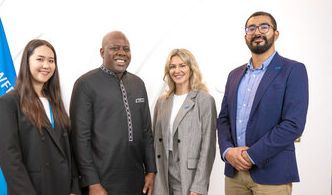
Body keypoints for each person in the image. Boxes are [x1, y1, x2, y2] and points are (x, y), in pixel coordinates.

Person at [217, 11, 309, 195]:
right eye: (251, 28)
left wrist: (252, 155)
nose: (257, 32)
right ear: (245, 37)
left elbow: (293, 124)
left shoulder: (293, 70)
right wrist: (228, 151)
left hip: (272, 173)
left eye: (264, 27)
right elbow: (224, 119)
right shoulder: (234, 75)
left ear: (276, 34)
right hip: (235, 173)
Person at [69, 31, 157, 195]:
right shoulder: (85, 84)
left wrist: (151, 171)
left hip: (137, 180)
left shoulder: (138, 84)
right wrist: (92, 182)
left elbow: (146, 132)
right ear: (102, 52)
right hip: (102, 181)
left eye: (126, 49)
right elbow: (80, 138)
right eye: (114, 48)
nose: (122, 53)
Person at [0, 39, 81, 195]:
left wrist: (74, 188)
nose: (46, 66)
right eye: (40, 59)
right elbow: (10, 160)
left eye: (51, 61)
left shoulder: (56, 102)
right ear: (26, 62)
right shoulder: (8, 103)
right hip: (32, 189)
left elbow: (69, 150)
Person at [153, 49, 217, 195]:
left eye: (182, 65)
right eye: (172, 66)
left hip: (189, 176)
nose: (177, 70)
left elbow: (208, 146)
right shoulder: (162, 102)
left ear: (191, 68)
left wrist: (199, 185)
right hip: (163, 173)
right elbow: (155, 143)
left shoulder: (204, 100)